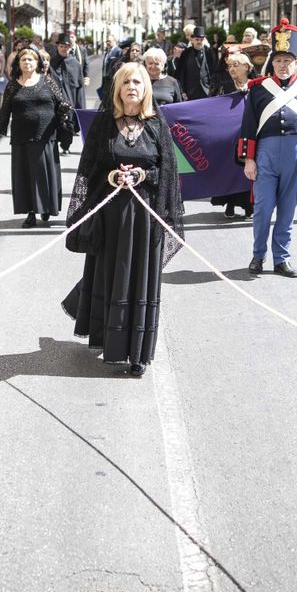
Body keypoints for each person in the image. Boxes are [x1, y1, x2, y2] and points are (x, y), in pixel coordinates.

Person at [61, 62, 185, 377]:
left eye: (138, 82)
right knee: (110, 276)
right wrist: (113, 175)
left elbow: (168, 174)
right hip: (110, 216)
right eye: (126, 82)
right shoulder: (104, 125)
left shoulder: (157, 125)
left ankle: (138, 355)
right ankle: (110, 342)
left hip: (145, 219)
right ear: (117, 88)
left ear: (146, 89)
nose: (132, 87)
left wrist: (143, 173)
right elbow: (90, 170)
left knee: (140, 281)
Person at [240, 22, 297, 277]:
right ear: (272, 62)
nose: (282, 64)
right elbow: (248, 127)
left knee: (287, 210)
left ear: (295, 60)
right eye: (278, 59)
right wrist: (249, 160)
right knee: (263, 209)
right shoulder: (258, 89)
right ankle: (258, 256)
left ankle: (282, 259)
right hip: (265, 154)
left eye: (287, 59)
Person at [0, 46, 75, 228]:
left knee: (44, 175)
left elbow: (62, 103)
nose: (27, 63)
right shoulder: (12, 85)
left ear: (37, 63)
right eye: (24, 60)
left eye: (31, 60)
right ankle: (31, 213)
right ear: (18, 64)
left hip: (46, 136)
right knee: (26, 177)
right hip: (21, 137)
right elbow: (4, 112)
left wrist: (63, 110)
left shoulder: (48, 81)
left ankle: (46, 208)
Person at [211, 52, 256, 220]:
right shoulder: (225, 86)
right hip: (229, 136)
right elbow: (214, 106)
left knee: (249, 169)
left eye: (235, 65)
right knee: (230, 169)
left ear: (246, 67)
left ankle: (249, 205)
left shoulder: (256, 86)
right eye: (229, 66)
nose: (231, 69)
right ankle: (230, 203)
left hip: (250, 135)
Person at [171, 29, 211, 101]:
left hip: (207, 91)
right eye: (197, 39)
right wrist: (182, 91)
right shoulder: (186, 53)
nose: (199, 42)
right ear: (192, 40)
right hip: (190, 92)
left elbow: (214, 71)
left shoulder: (209, 52)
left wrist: (213, 89)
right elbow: (180, 74)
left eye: (201, 39)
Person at [50, 32, 84, 111]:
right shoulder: (51, 63)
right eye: (61, 46)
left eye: (66, 47)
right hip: (55, 105)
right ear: (57, 47)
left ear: (70, 48)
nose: (63, 49)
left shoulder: (75, 64)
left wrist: (81, 110)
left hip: (71, 104)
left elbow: (80, 89)